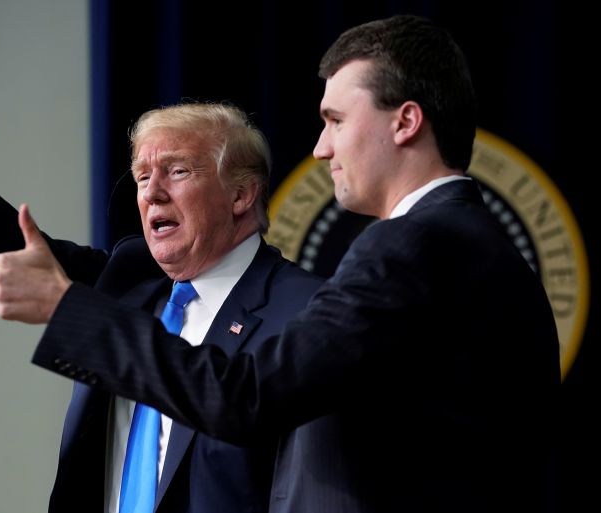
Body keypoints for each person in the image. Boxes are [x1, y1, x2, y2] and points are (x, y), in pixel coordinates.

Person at [27, 15, 560, 513]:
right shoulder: (492, 251)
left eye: (335, 120)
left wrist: (74, 313)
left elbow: (247, 397)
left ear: (406, 122)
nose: (322, 148)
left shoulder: (408, 246)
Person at [0, 10, 324, 513]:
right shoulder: (129, 279)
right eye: (142, 177)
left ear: (241, 194)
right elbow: (9, 247)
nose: (152, 194)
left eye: (177, 171)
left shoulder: (302, 312)